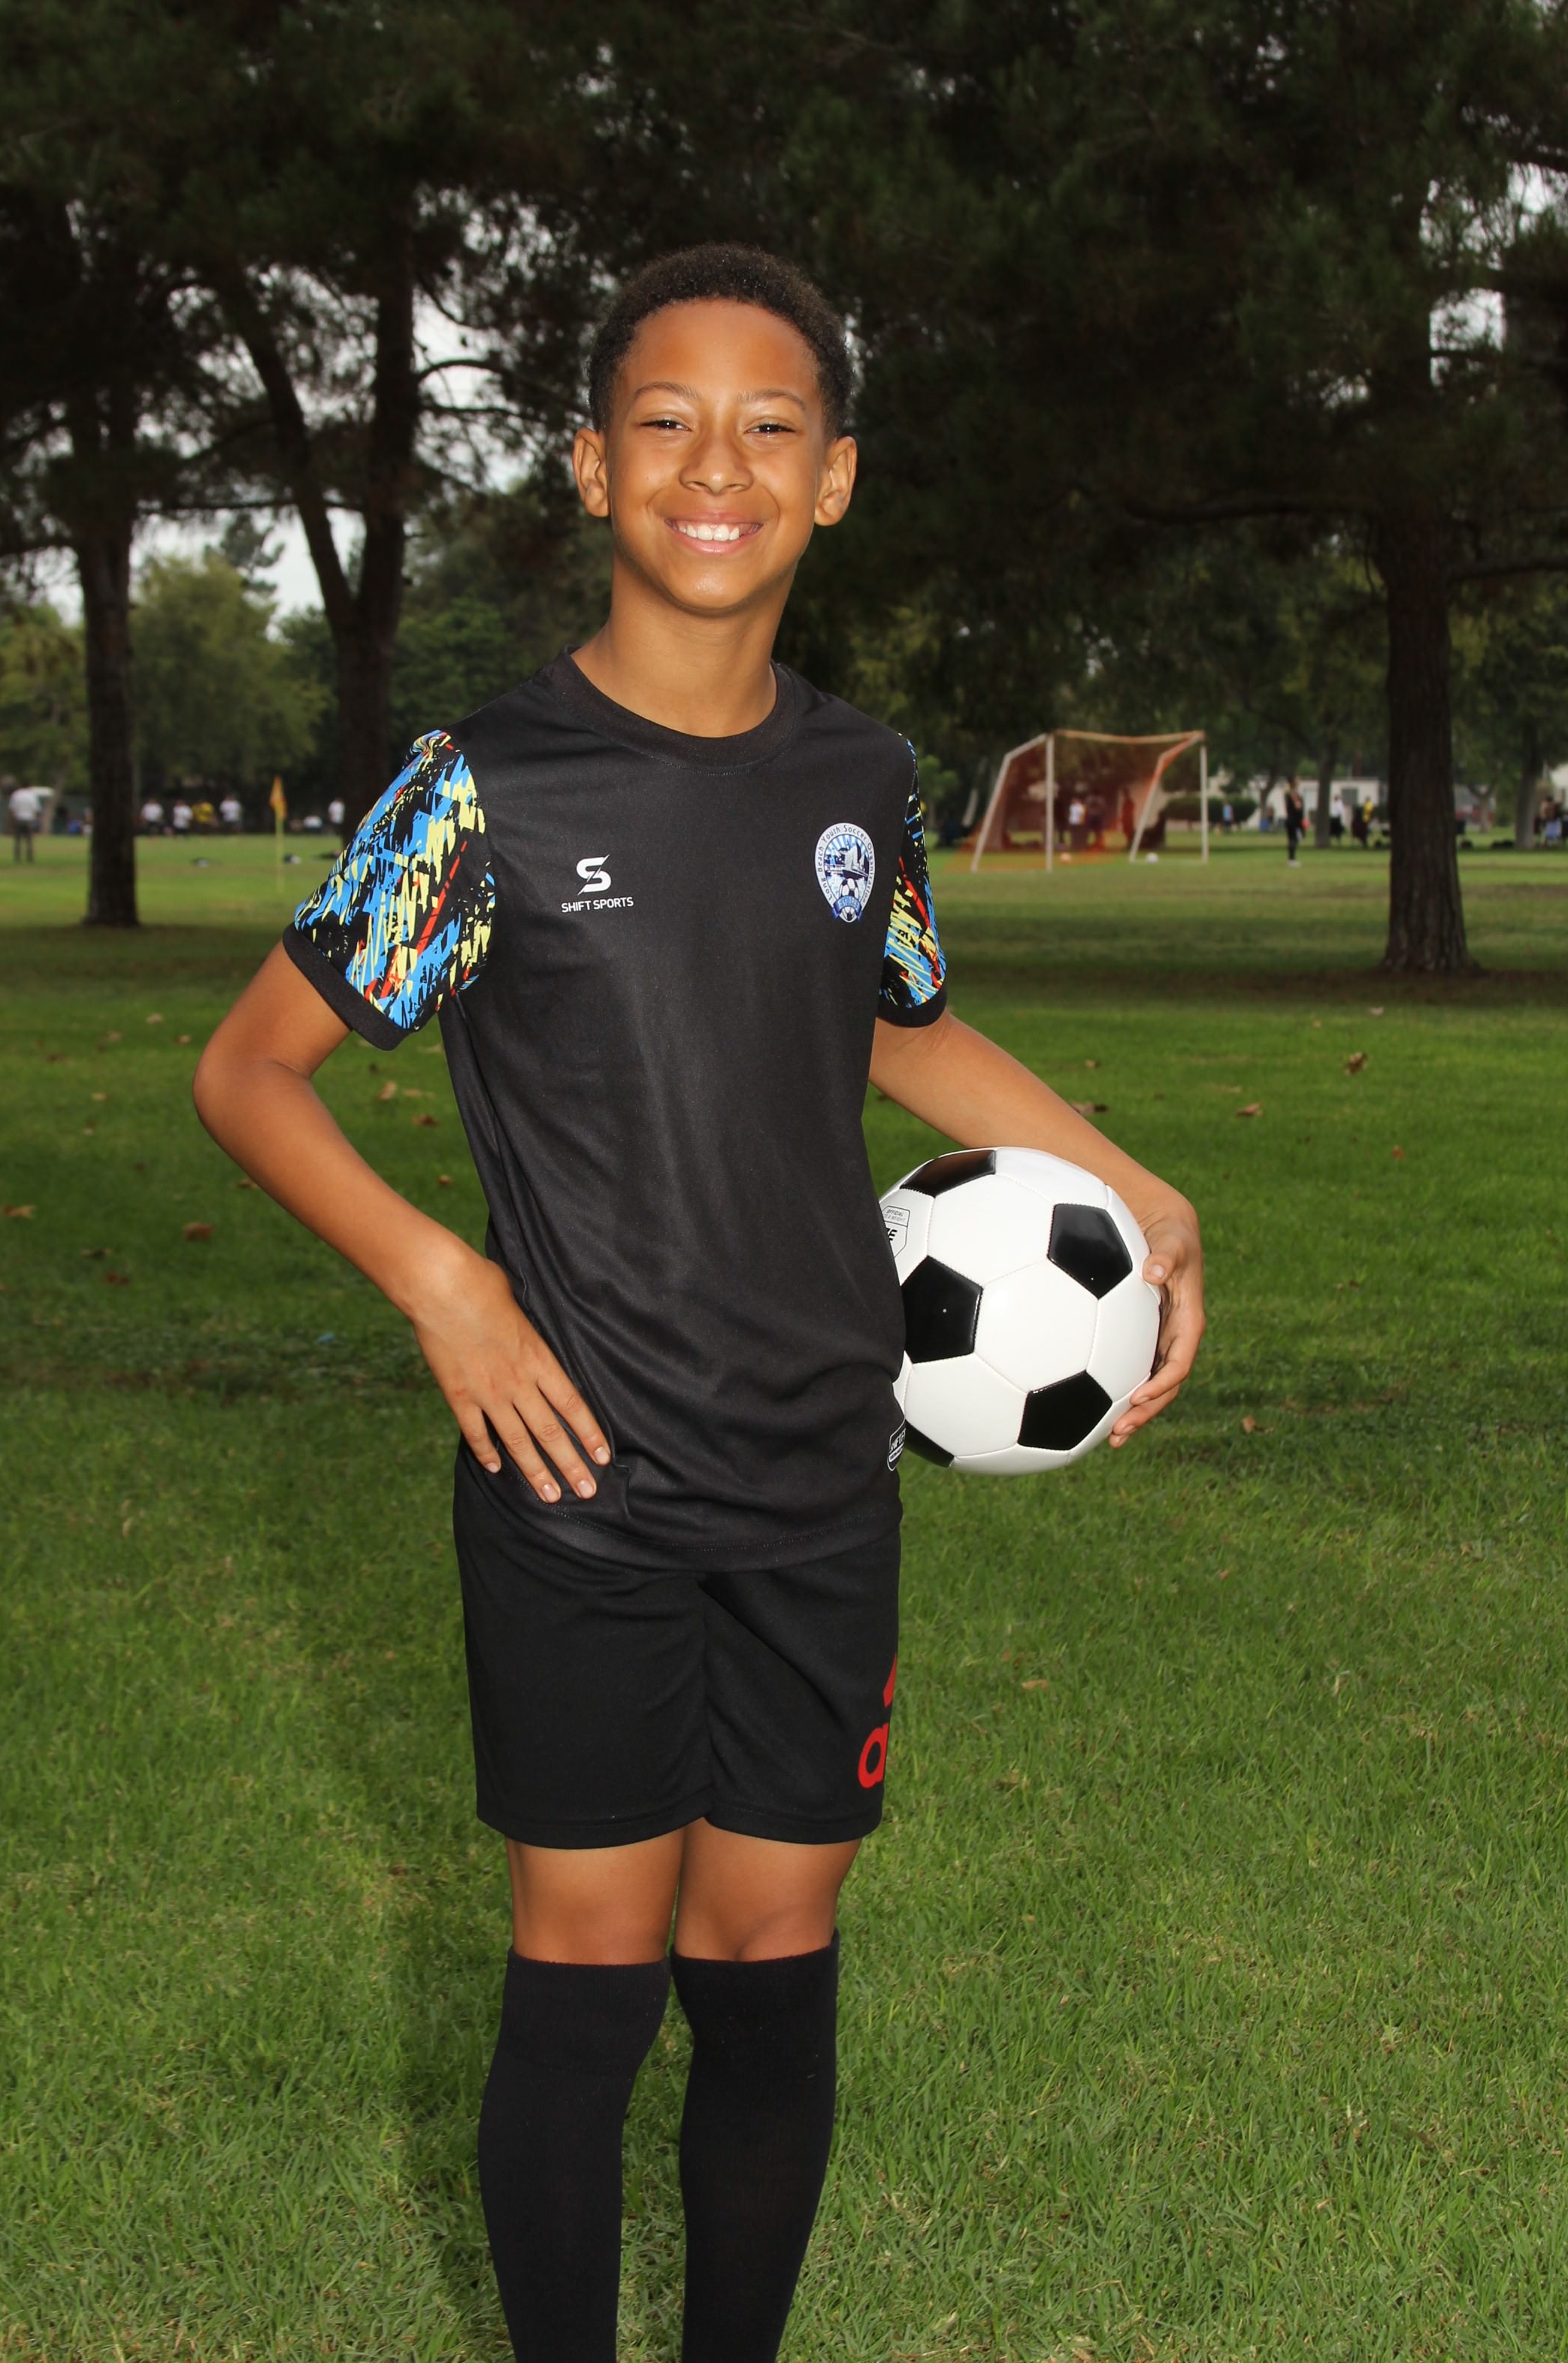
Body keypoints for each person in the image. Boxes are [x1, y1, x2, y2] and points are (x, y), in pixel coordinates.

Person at [192, 247, 1205, 2363]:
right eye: (664, 423)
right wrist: (446, 1285)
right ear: (591, 467)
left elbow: (898, 1023)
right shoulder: (483, 786)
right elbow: (251, 1071)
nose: (713, 468)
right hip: (582, 1482)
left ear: (834, 478)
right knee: (586, 1975)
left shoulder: (861, 777)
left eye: (767, 428)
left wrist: (1136, 1184)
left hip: (825, 1471)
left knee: (768, 1962)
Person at [7, 781, 40, 862]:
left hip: (19, 819)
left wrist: (11, 822)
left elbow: (12, 809)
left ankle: (17, 858)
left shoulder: (16, 794)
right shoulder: (32, 795)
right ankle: (30, 858)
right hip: (29, 819)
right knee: (29, 840)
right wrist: (36, 820)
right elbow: (36, 809)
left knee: (18, 840)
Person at [1283, 777, 1306, 863]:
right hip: (1295, 820)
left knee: (1291, 839)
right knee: (1294, 839)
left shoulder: (1287, 793)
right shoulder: (1293, 794)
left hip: (1290, 819)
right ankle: (1292, 859)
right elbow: (1298, 807)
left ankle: (1291, 858)